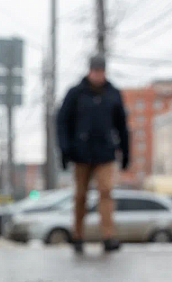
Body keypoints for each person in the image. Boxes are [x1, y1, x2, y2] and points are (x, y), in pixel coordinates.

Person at [56, 55, 130, 255]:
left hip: (105, 153)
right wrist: (65, 150)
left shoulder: (113, 94)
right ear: (90, 71)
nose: (98, 75)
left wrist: (126, 152)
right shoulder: (76, 93)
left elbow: (122, 126)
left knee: (106, 192)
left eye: (101, 71)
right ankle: (77, 236)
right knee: (81, 196)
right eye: (95, 71)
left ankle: (108, 237)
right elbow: (62, 122)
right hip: (80, 154)